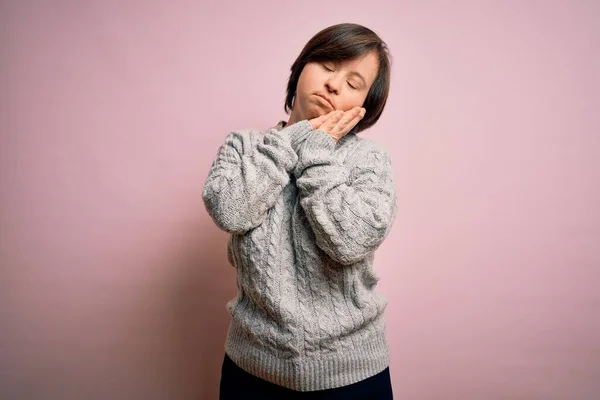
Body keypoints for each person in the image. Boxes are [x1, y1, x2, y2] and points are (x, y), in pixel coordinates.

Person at [202, 22, 397, 399]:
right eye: (327, 64)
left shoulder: (370, 160)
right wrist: (291, 140)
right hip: (251, 370)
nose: (334, 84)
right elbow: (229, 211)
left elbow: (349, 243)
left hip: (352, 375)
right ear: (302, 68)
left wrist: (318, 151)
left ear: (363, 108)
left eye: (353, 83)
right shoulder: (244, 147)